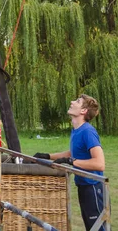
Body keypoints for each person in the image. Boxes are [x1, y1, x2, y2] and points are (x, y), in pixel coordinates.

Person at [34, 94, 106, 231]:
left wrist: (72, 161)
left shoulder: (88, 131)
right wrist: (48, 156)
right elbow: (73, 153)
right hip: (83, 186)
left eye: (78, 101)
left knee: (97, 228)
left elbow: (99, 163)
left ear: (83, 111)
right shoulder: (76, 130)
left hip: (93, 188)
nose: (72, 102)